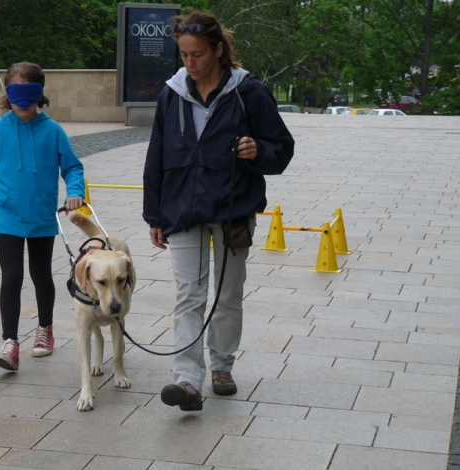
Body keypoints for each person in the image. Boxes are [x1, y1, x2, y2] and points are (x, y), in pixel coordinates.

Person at [143, 10, 294, 411]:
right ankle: (187, 380)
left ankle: (222, 367)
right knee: (188, 296)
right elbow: (156, 156)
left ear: (219, 50)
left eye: (197, 54)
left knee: (227, 296)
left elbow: (281, 148)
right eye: (184, 55)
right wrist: (154, 215)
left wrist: (258, 151)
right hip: (183, 210)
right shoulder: (171, 94)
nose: (190, 63)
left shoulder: (250, 93)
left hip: (232, 210)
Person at [0, 62, 85, 371]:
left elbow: (73, 167)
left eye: (29, 93)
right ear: (6, 94)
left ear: (40, 94)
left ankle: (45, 330)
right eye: (16, 93)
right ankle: (10, 342)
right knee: (11, 276)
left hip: (41, 217)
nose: (22, 102)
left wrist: (75, 191)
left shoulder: (53, 131)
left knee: (40, 275)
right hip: (7, 217)